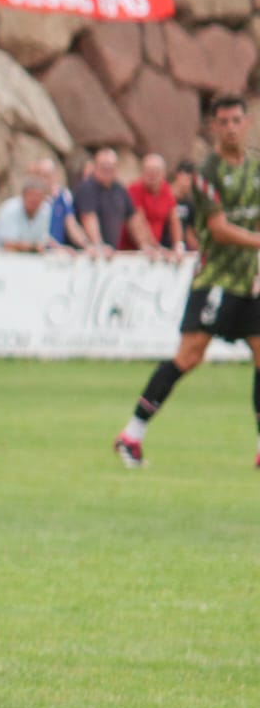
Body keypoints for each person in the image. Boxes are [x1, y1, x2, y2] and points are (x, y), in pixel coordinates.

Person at [116, 93, 260, 467]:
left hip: (249, 282)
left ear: (246, 123)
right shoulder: (207, 173)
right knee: (189, 357)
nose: (231, 128)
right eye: (223, 121)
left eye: (236, 120)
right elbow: (218, 228)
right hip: (215, 279)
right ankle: (132, 433)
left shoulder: (256, 168)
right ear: (214, 127)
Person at [73, 146, 152, 254]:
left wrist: (144, 245)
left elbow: (133, 219)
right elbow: (88, 218)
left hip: (111, 251)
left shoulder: (120, 190)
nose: (107, 170)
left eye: (110, 167)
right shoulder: (87, 189)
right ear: (95, 166)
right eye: (103, 167)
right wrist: (98, 244)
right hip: (88, 254)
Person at [0, 173, 55, 251]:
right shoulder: (10, 209)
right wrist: (33, 247)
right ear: (23, 195)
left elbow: (42, 240)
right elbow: (8, 244)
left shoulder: (45, 210)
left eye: (38, 198)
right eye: (32, 198)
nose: (35, 201)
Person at [127, 153, 184, 253]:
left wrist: (178, 244)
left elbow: (174, 219)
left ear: (163, 174)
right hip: (133, 249)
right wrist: (153, 246)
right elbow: (138, 222)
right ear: (142, 172)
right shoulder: (134, 189)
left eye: (156, 172)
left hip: (154, 247)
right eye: (149, 172)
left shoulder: (166, 190)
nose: (152, 176)